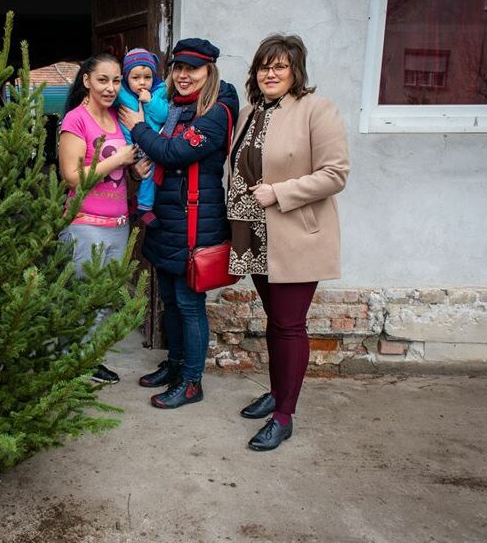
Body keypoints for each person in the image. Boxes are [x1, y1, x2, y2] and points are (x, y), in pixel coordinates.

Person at [226, 34, 349, 451]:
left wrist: (280, 192)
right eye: (264, 66)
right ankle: (277, 393)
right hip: (255, 236)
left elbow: (336, 174)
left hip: (295, 235)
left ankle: (284, 416)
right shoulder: (248, 113)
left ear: (296, 71)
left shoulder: (317, 109)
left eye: (279, 66)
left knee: (290, 325)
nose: (270, 73)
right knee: (275, 323)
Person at [118, 38, 240, 409]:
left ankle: (191, 381)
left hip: (195, 223)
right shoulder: (171, 106)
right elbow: (158, 157)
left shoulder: (216, 111)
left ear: (209, 72)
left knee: (189, 304)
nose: (184, 75)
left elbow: (175, 152)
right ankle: (174, 366)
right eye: (179, 68)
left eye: (193, 69)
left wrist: (139, 129)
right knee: (170, 300)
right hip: (168, 218)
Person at [58, 53, 149, 384]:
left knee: (103, 299)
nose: (110, 88)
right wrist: (118, 160)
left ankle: (90, 360)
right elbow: (72, 177)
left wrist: (134, 169)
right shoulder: (76, 120)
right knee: (81, 299)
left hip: (118, 226)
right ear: (87, 80)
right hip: (85, 226)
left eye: (115, 81)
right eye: (102, 80)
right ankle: (71, 367)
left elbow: (125, 166)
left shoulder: (117, 117)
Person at [114, 48, 171, 228]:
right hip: (128, 144)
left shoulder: (159, 92)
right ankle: (125, 205)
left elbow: (163, 115)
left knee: (149, 172)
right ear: (126, 77)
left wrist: (150, 100)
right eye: (136, 77)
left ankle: (144, 207)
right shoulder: (120, 91)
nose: (142, 83)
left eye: (147, 77)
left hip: (149, 143)